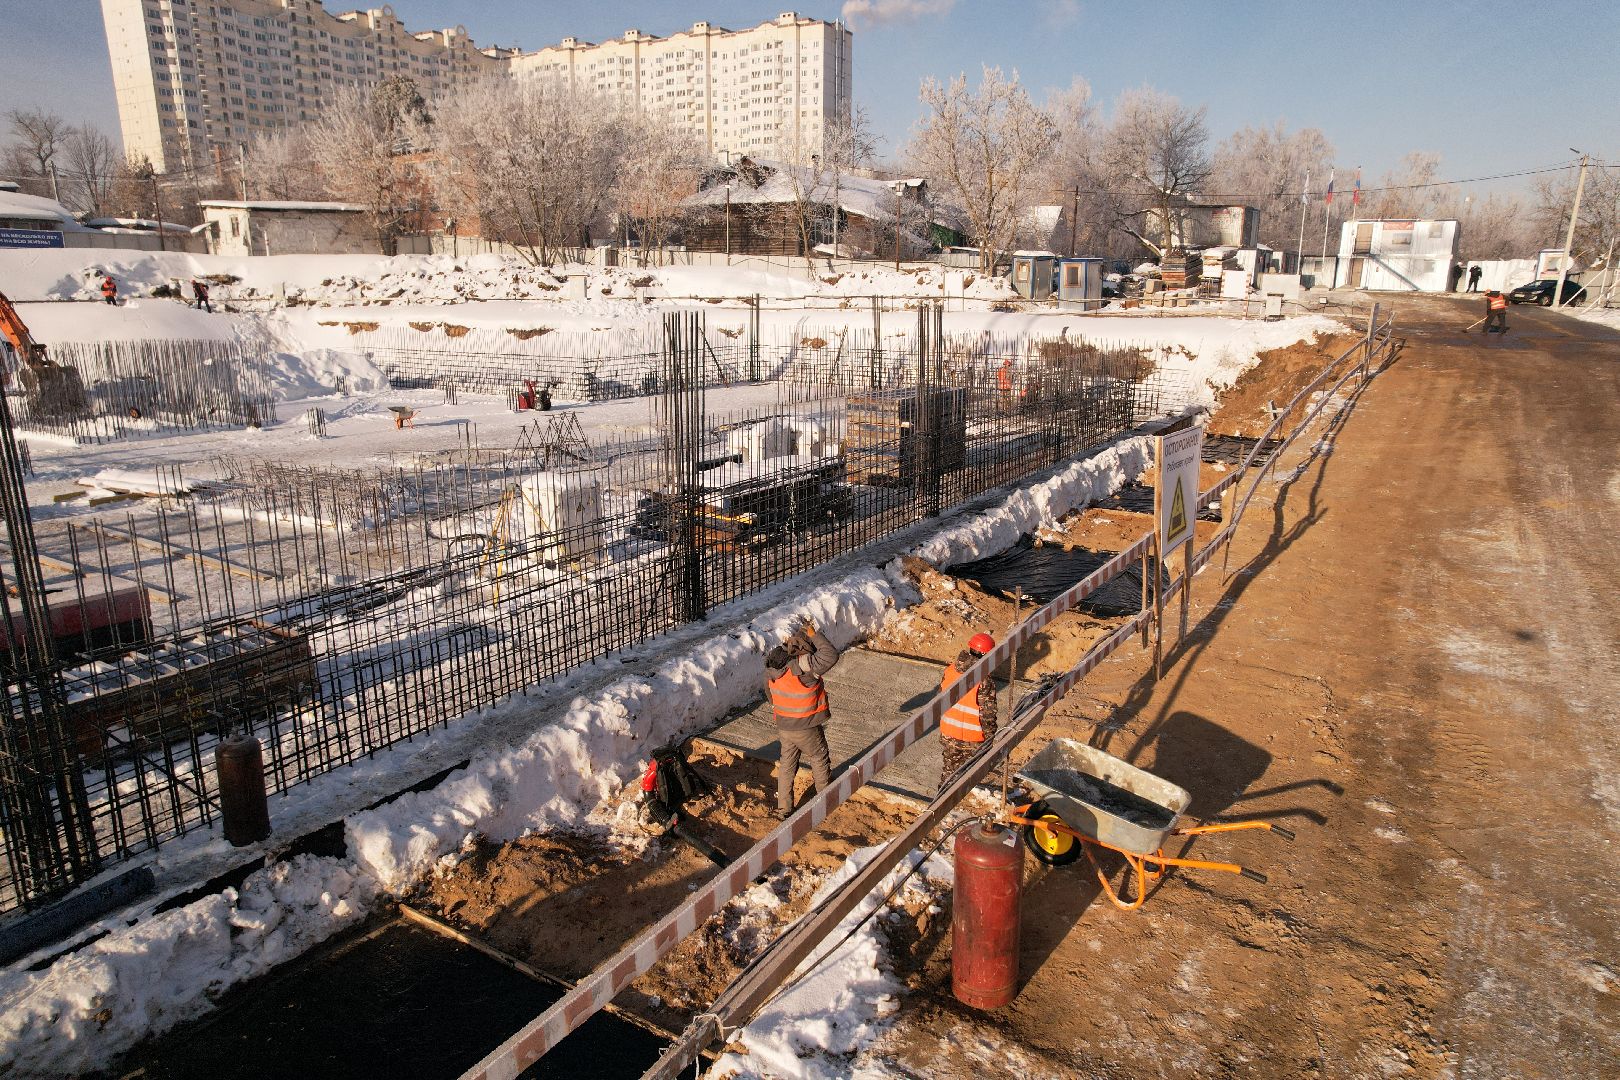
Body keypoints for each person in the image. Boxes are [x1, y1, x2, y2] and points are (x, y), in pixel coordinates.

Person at [764, 619, 839, 818]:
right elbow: (831, 655)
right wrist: (815, 634)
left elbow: (769, 692)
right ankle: (824, 802)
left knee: (787, 765)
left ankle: (784, 809)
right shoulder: (803, 666)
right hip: (805, 726)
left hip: (784, 725)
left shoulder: (773, 664)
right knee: (819, 757)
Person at [938, 632, 999, 790]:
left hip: (949, 732)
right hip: (972, 738)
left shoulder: (950, 670)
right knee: (970, 774)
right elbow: (988, 715)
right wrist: (990, 738)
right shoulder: (985, 680)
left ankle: (941, 801)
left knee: (949, 772)